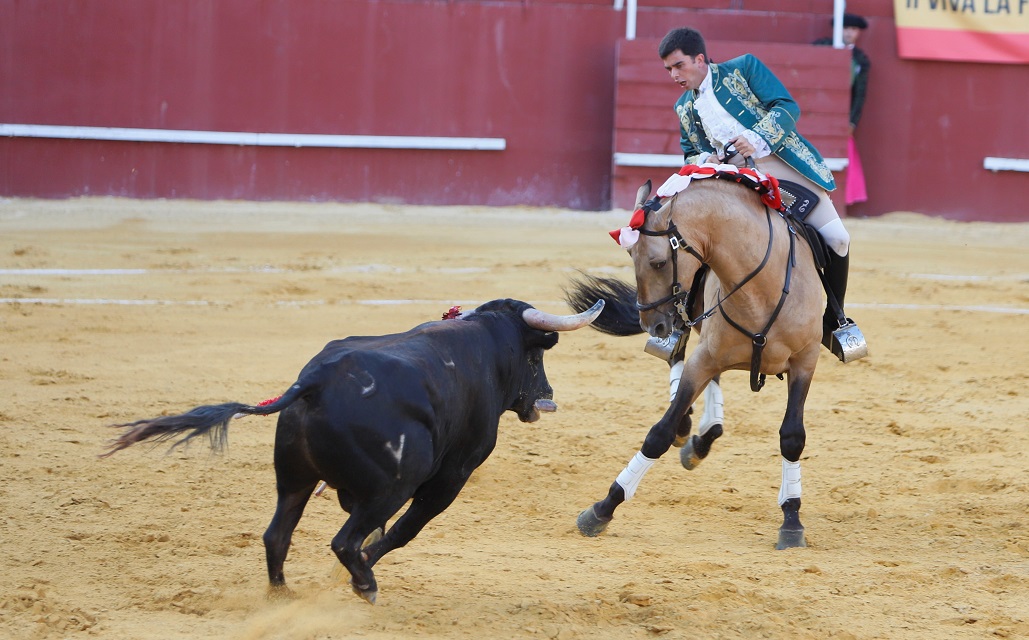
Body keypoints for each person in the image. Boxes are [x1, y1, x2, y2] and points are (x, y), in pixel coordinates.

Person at [656, 26, 864, 361]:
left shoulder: (744, 68)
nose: (674, 75)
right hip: (731, 180)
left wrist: (755, 136)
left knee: (838, 238)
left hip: (779, 165)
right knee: (698, 244)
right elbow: (688, 152)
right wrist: (704, 158)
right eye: (668, 69)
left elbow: (786, 106)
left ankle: (834, 320)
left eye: (678, 66)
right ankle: (679, 326)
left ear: (699, 59)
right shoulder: (684, 107)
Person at [814, 13, 870, 205]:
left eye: (853, 29)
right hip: (816, 111)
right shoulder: (821, 47)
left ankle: (846, 197)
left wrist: (852, 121)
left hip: (841, 117)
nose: (849, 33)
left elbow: (859, 95)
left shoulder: (861, 60)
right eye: (846, 28)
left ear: (858, 33)